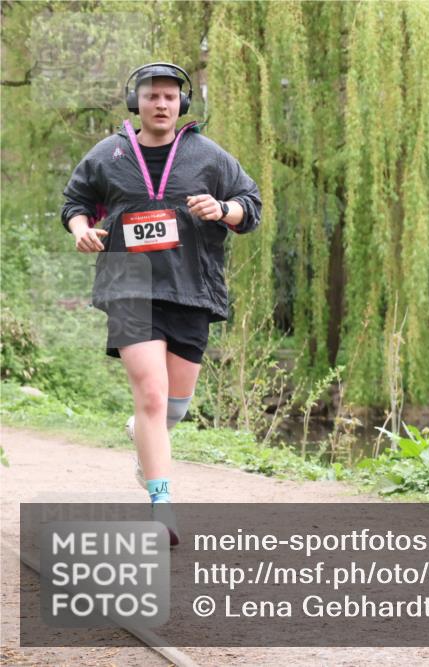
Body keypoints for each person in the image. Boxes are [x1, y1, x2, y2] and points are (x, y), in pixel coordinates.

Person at [61, 62, 262, 545]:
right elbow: (75, 203)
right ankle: (162, 505)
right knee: (151, 394)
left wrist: (223, 209)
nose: (161, 104)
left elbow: (249, 204)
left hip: (191, 285)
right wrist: (82, 230)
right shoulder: (108, 154)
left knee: (173, 405)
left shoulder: (207, 155)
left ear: (182, 104)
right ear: (137, 102)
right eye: (152, 96)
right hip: (128, 282)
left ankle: (143, 439)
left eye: (170, 97)